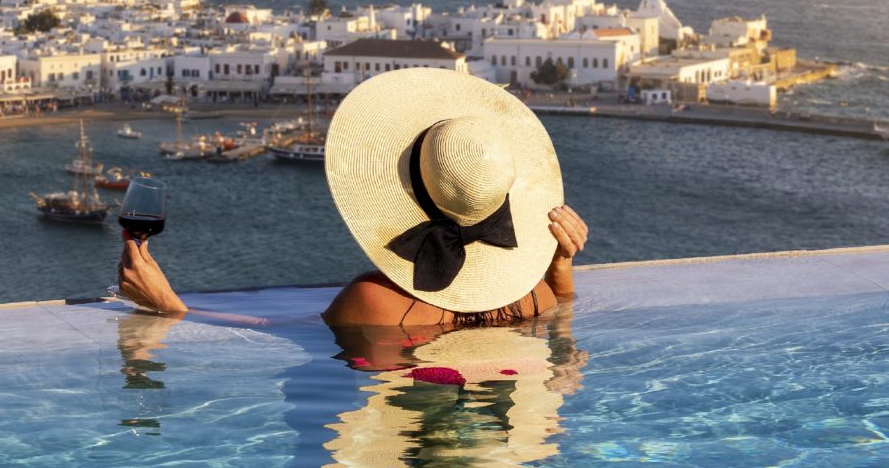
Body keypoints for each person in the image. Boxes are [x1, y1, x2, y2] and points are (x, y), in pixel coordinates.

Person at [117, 68, 589, 327]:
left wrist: (170, 308)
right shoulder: (535, 295)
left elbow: (271, 337)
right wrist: (559, 268)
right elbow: (562, 315)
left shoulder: (374, 301)